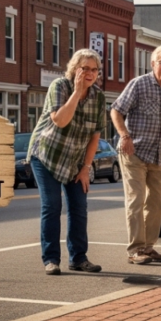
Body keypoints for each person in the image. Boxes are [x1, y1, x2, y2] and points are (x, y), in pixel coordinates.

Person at [27, 49, 108, 276]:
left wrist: (85, 168)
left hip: (74, 159)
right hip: (46, 154)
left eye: (94, 69)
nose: (90, 73)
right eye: (85, 68)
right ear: (75, 69)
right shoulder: (60, 86)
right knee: (52, 205)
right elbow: (61, 121)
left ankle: (79, 258)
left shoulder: (99, 97)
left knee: (79, 207)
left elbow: (95, 136)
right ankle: (51, 259)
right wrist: (77, 92)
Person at [111, 44, 161, 266]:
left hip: (157, 155)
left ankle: (148, 247)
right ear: (153, 63)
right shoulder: (139, 84)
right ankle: (135, 250)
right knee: (136, 200)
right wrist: (124, 136)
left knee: (156, 203)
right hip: (133, 151)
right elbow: (116, 110)